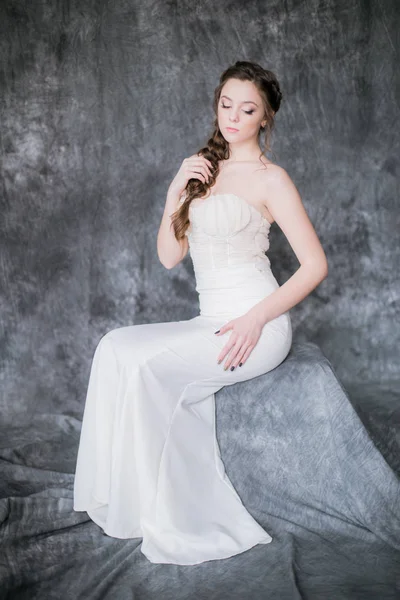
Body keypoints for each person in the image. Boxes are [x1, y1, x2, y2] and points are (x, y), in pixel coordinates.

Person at [73, 60, 328, 565]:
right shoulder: (202, 168)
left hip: (258, 324)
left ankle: (180, 514)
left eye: (247, 109)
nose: (233, 116)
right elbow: (170, 257)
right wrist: (174, 192)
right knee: (113, 346)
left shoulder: (271, 179)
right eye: (226, 104)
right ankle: (124, 497)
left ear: (265, 118)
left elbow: (315, 265)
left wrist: (256, 318)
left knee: (147, 367)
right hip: (209, 320)